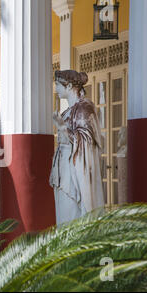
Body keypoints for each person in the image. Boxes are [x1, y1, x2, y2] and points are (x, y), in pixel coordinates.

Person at [50, 70, 105, 225]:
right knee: (63, 215)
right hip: (63, 170)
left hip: (73, 171)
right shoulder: (67, 111)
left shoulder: (84, 108)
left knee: (72, 214)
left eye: (58, 85)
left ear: (69, 86)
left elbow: (87, 140)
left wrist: (62, 127)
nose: (56, 89)